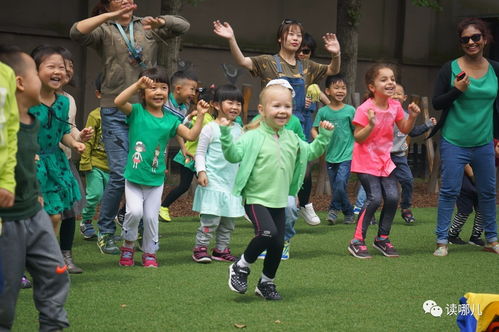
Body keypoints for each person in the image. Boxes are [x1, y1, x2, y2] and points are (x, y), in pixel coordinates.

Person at [70, 0, 190, 255]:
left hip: (147, 110)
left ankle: (132, 223)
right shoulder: (105, 29)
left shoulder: (146, 27)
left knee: (146, 167)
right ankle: (105, 231)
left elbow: (183, 25)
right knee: (119, 173)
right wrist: (111, 15)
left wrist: (163, 22)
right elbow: (76, 32)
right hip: (115, 107)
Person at [213, 18, 341, 227]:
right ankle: (253, 201)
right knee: (261, 162)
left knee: (303, 165)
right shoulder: (268, 62)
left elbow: (332, 70)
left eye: (298, 35)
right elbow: (243, 62)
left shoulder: (306, 65)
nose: (295, 38)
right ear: (280, 38)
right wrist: (231, 38)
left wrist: (336, 53)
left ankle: (303, 203)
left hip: (297, 121)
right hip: (269, 122)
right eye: (291, 34)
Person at [221, 84, 334, 300]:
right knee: (267, 233)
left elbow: (310, 152)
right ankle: (241, 266)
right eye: (276, 106)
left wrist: (324, 136)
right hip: (255, 198)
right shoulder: (251, 135)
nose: (282, 110)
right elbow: (233, 155)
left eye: (287, 106)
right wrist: (226, 136)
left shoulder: (291, 137)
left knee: (277, 244)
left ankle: (266, 283)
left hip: (280, 199)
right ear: (262, 110)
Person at [0, 44, 70, 332]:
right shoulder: (5, 124)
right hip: (8, 223)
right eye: (34, 71)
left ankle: (53, 326)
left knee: (55, 274)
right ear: (19, 82)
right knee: (5, 293)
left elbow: (28, 165)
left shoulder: (32, 120)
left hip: (34, 213)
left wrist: (37, 193)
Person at [114, 66, 208, 268]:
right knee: (134, 213)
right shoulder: (137, 112)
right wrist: (137, 84)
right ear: (143, 93)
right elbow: (118, 101)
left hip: (156, 179)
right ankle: (128, 245)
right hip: (134, 177)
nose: (158, 93)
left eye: (163, 88)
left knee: (150, 217)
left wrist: (199, 115)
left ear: (169, 91)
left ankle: (149, 252)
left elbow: (191, 136)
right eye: (153, 88)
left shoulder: (170, 120)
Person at [430, 17, 498, 256]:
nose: (471, 42)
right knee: (449, 191)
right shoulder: (449, 69)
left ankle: (492, 239)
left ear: (485, 39)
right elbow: (437, 103)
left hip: (484, 142)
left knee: (488, 191)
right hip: (454, 141)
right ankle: (441, 240)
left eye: (475, 37)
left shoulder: (495, 69)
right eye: (465, 39)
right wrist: (456, 91)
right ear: (461, 43)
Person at [347, 63, 420, 259]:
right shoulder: (365, 109)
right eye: (384, 79)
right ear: (372, 87)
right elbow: (358, 137)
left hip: (384, 162)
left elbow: (404, 129)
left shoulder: (395, 106)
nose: (390, 83)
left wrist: (412, 117)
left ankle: (382, 238)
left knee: (393, 197)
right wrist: (371, 124)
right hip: (365, 162)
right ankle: (357, 240)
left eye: (392, 79)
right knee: (374, 198)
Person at [353, 83, 436, 224]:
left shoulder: (404, 115)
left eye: (399, 94)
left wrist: (427, 124)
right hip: (379, 156)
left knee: (408, 180)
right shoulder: (381, 111)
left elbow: (412, 131)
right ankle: (365, 211)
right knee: (373, 187)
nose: (396, 96)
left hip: (398, 156)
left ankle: (406, 208)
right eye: (393, 93)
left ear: (404, 98)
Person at [28, 45, 86, 246]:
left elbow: (63, 133)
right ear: (35, 71)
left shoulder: (63, 102)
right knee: (32, 218)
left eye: (61, 67)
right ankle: (23, 263)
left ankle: (46, 265)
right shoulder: (25, 101)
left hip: (55, 164)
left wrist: (75, 143)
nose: (57, 72)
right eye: (51, 66)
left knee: (54, 217)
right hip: (30, 165)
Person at [191, 84, 244, 263]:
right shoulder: (210, 128)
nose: (235, 107)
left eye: (239, 103)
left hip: (232, 183)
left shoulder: (240, 129)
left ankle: (221, 250)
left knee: (229, 221)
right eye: (230, 102)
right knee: (211, 219)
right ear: (216, 105)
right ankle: (200, 248)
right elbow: (199, 152)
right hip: (212, 180)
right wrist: (201, 172)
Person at [56, 46, 94, 274]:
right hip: (39, 161)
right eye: (58, 65)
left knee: (69, 210)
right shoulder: (29, 96)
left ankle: (65, 255)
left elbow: (68, 129)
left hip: (64, 160)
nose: (66, 70)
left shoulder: (68, 99)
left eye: (68, 66)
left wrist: (80, 137)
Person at [158, 70, 203, 222]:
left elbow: (177, 128)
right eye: (192, 89)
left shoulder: (183, 107)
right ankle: (128, 213)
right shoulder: (163, 100)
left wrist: (183, 148)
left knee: (157, 181)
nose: (194, 93)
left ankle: (148, 221)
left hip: (162, 145)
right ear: (178, 89)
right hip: (150, 144)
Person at [312, 74, 355, 225]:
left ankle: (333, 210)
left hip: (347, 154)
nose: (340, 91)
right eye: (336, 87)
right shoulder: (323, 112)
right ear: (328, 91)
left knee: (340, 183)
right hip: (330, 155)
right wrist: (319, 142)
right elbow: (314, 129)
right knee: (337, 186)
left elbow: (356, 131)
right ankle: (349, 211)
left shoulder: (350, 110)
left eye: (343, 88)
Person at [79, 74, 110, 240]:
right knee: (95, 195)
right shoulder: (95, 115)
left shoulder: (123, 116)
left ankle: (105, 229)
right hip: (96, 165)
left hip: (114, 168)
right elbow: (87, 141)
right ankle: (86, 221)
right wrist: (85, 162)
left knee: (108, 200)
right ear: (99, 94)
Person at [448, 164, 485, 246]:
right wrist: (473, 176)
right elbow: (465, 162)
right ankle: (452, 235)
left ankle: (476, 237)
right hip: (466, 182)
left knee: (482, 210)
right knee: (464, 210)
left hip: (480, 179)